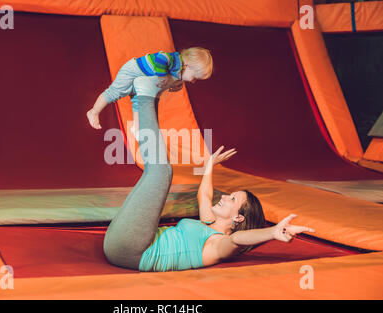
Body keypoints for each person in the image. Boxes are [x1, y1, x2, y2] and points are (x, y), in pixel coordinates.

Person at [103, 76, 315, 272]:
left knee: (161, 172)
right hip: (126, 242)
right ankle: (144, 99)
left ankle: (146, 96)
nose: (224, 196)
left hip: (132, 251)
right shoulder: (207, 222)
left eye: (232, 199)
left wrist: (273, 232)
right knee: (154, 173)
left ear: (238, 217)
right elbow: (203, 195)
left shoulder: (218, 246)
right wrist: (210, 165)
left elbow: (237, 239)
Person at [86, 47, 213, 140]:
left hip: (142, 81)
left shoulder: (180, 72)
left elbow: (177, 78)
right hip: (133, 70)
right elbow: (161, 57)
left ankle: (136, 127)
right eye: (195, 77)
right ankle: (94, 111)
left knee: (138, 102)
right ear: (188, 66)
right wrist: (162, 76)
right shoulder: (174, 59)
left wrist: (179, 84)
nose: (194, 81)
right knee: (115, 92)